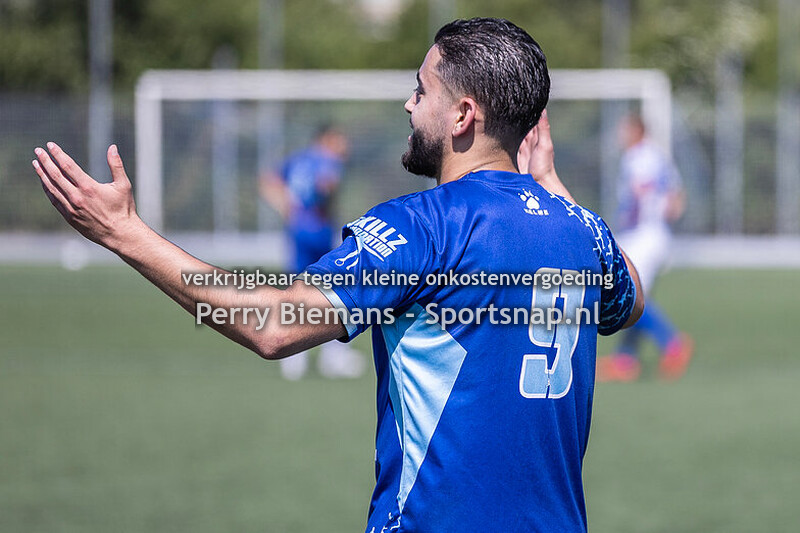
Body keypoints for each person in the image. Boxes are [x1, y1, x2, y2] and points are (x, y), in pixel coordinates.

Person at [31, 18, 643, 533]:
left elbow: (274, 325)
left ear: (462, 113)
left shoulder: (426, 225)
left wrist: (125, 234)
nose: (408, 104)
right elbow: (632, 300)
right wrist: (554, 186)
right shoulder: (581, 230)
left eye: (420, 90)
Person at [259, 125, 365, 380]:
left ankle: (293, 358)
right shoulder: (329, 161)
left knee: (296, 289)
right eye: (341, 140)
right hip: (318, 231)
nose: (345, 147)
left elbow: (268, 180)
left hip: (296, 230)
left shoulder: (299, 158)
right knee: (332, 290)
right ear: (327, 139)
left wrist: (286, 205)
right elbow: (325, 186)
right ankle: (334, 355)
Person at [596, 114, 693, 382]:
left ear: (636, 131)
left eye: (624, 130)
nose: (620, 136)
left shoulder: (639, 157)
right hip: (653, 233)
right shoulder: (657, 155)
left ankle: (672, 342)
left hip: (643, 235)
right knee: (635, 296)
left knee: (630, 294)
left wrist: (629, 220)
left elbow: (640, 194)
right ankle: (626, 359)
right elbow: (676, 197)